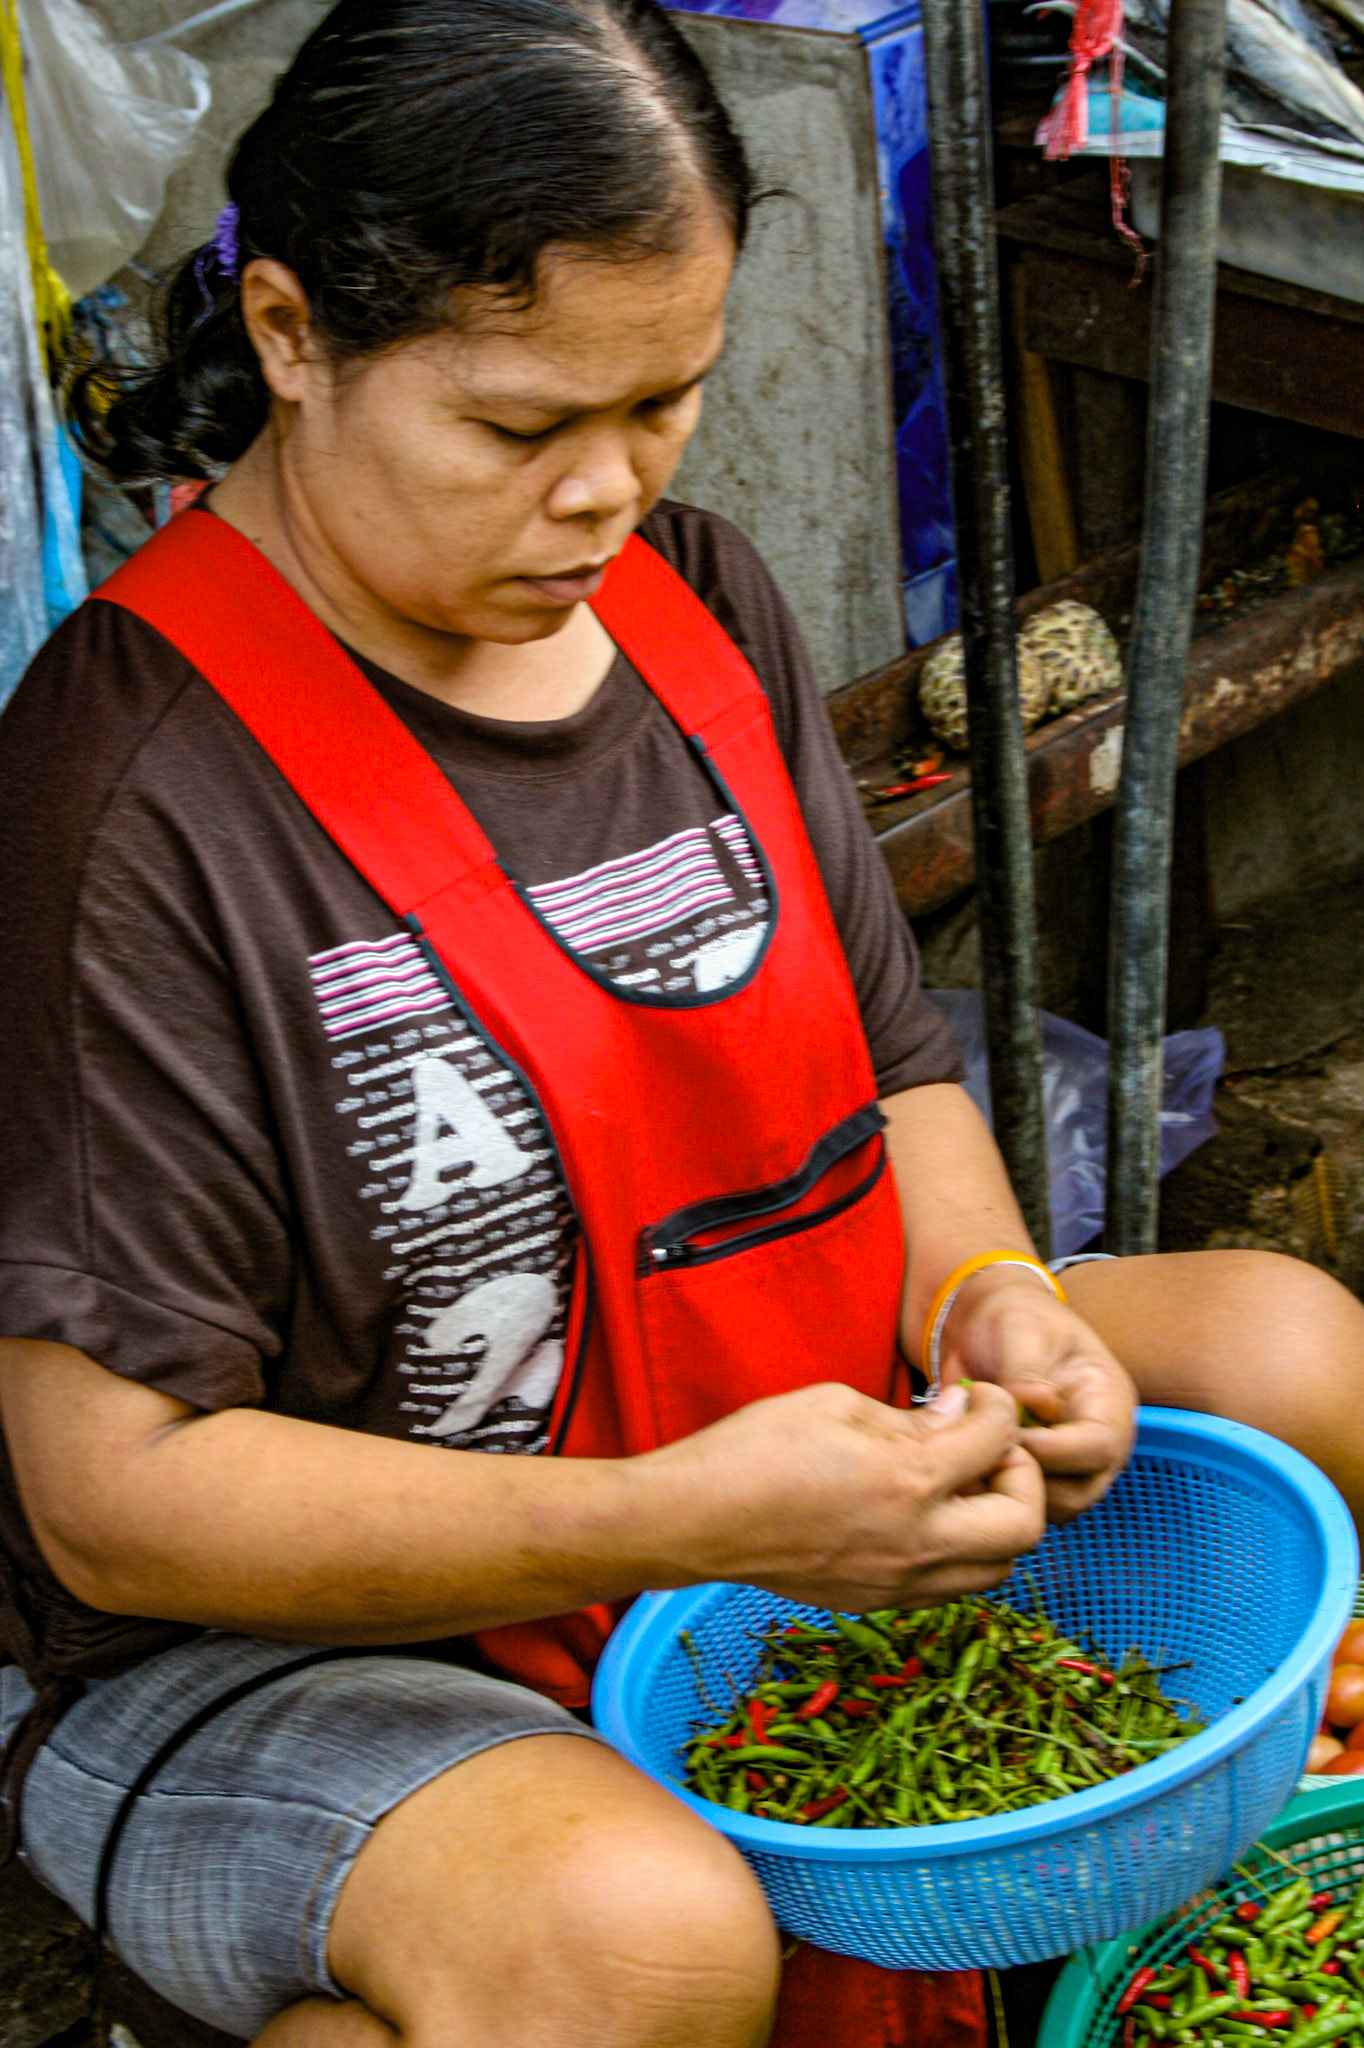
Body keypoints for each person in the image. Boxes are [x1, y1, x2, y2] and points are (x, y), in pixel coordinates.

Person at [0, 3, 1360, 2043]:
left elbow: (895, 1069)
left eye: (666, 405)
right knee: (635, 1934)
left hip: (756, 1471)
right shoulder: (129, 804)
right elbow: (111, 1492)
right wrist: (680, 1517)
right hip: (312, 1631)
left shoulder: (695, 602)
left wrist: (990, 1295)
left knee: (1288, 1348)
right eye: (518, 425)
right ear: (288, 333)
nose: (605, 494)